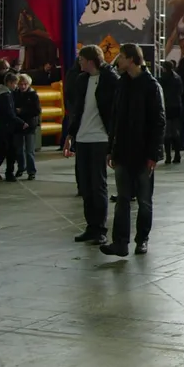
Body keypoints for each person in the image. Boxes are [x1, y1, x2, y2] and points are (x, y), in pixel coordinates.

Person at [101, 44, 165, 258]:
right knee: (122, 199)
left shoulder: (151, 86)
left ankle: (142, 239)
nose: (117, 61)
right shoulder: (121, 84)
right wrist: (111, 148)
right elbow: (115, 118)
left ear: (131, 59)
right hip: (122, 151)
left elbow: (158, 122)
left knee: (144, 200)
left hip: (143, 152)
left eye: (121, 57)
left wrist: (153, 154)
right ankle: (120, 242)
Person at [66, 46, 120, 244]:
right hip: (82, 138)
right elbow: (78, 109)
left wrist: (114, 139)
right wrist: (71, 134)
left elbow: (115, 111)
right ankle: (91, 226)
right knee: (86, 186)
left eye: (81, 59)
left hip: (100, 138)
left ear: (91, 60)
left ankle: (100, 229)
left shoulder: (110, 79)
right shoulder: (81, 80)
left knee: (98, 185)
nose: (79, 63)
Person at [0, 72, 26, 182]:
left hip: (1, 125)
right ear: (9, 83)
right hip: (5, 126)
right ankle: (5, 171)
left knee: (5, 148)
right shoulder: (5, 95)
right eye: (15, 83)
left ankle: (0, 170)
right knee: (8, 149)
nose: (16, 86)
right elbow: (9, 113)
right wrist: (21, 122)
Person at [13, 73, 41, 180]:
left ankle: (31, 171)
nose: (23, 86)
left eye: (25, 84)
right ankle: (21, 167)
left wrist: (22, 110)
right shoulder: (15, 94)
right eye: (21, 84)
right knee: (19, 149)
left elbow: (37, 110)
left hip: (30, 125)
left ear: (28, 84)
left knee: (29, 150)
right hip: (18, 125)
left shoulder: (33, 95)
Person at [158, 60, 183, 164]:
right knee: (175, 131)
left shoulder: (163, 78)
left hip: (167, 106)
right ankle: (177, 154)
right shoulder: (178, 78)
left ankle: (168, 156)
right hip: (177, 106)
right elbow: (181, 91)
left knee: (167, 133)